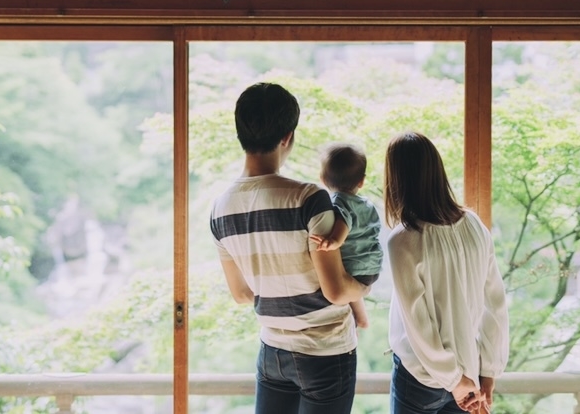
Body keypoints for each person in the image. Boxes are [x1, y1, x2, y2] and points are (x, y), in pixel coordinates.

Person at [210, 82, 370, 414]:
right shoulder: (308, 197)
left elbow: (241, 295)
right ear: (287, 137)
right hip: (325, 352)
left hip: (272, 352)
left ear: (241, 132)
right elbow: (338, 291)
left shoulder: (220, 208)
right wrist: (365, 285)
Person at [384, 131, 509, 414]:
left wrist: (455, 380)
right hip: (470, 372)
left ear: (396, 179)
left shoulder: (403, 240)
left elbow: (418, 325)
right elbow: (496, 304)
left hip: (424, 378)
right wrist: (488, 370)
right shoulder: (474, 225)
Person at [310, 142, 383, 329]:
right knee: (352, 287)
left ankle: (359, 320)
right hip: (372, 266)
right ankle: (362, 320)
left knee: (338, 280)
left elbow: (345, 221)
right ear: (361, 181)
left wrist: (334, 241)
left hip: (355, 266)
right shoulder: (367, 204)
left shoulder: (337, 202)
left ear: (323, 179)